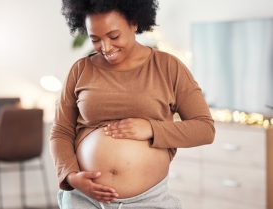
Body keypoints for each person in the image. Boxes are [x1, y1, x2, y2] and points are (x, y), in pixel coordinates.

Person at [50, 0, 215, 208]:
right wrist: (71, 176)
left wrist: (151, 129)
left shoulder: (169, 67)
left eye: (113, 36)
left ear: (134, 23)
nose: (106, 47)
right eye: (96, 39)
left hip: (148, 201)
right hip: (85, 199)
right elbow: (61, 131)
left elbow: (205, 129)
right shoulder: (80, 70)